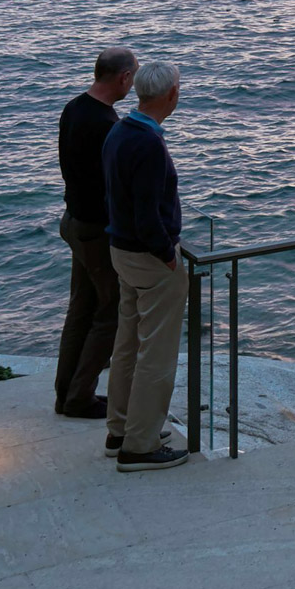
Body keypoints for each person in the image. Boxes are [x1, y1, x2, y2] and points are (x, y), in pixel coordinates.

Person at [102, 60, 190, 471]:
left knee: (127, 344)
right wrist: (168, 256)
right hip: (149, 258)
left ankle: (120, 428)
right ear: (171, 95)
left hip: (120, 251)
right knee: (156, 353)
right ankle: (138, 445)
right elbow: (147, 215)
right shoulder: (149, 144)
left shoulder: (120, 130)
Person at [54, 46, 136, 418]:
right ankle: (80, 397)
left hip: (74, 221)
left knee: (81, 309)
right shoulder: (107, 125)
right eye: (132, 77)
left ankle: (66, 392)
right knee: (111, 312)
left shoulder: (74, 108)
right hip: (96, 230)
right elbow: (117, 186)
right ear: (123, 78)